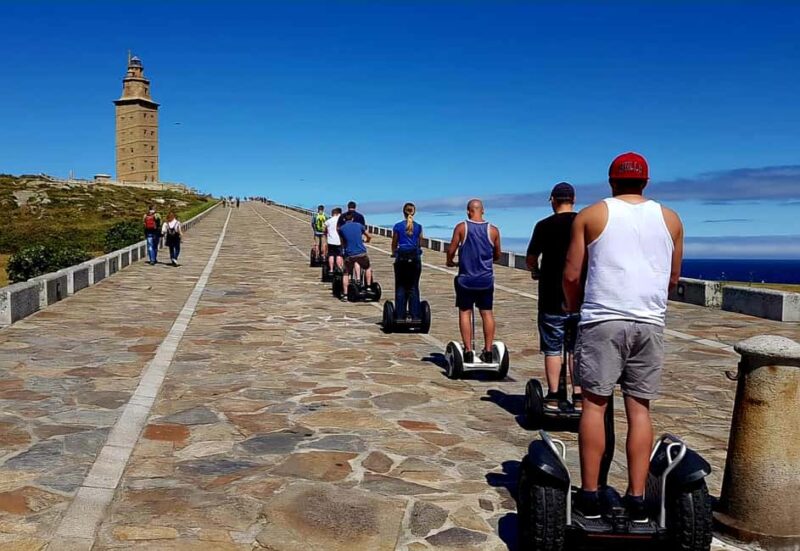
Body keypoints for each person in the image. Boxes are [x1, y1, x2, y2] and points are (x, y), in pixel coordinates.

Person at [563, 152, 684, 523]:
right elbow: (673, 278)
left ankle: (589, 494)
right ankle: (636, 497)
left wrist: (574, 307)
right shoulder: (671, 219)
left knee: (594, 405)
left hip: (603, 319)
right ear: (645, 181)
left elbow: (571, 275)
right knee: (639, 409)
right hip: (649, 322)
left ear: (611, 181)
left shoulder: (591, 215)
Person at [526, 182, 581, 412]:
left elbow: (531, 258)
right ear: (573, 200)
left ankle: (554, 395)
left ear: (553, 200)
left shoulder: (543, 225)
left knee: (552, 348)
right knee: (576, 349)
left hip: (551, 297)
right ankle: (579, 396)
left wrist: (536, 270)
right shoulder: (584, 223)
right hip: (580, 298)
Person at [446, 199, 502, 363]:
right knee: (487, 313)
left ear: (468, 211)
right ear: (482, 210)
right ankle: (488, 350)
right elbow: (497, 254)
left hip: (466, 279)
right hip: (485, 280)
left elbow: (451, 249)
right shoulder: (493, 230)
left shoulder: (462, 227)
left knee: (465, 312)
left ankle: (468, 350)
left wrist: (450, 261)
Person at [391, 202, 424, 319]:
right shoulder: (418, 227)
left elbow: (394, 243)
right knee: (414, 286)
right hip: (415, 259)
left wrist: (393, 252)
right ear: (414, 212)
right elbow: (419, 244)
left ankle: (400, 315)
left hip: (401, 258)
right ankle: (415, 315)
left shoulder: (398, 226)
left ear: (403, 212)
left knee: (401, 286)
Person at [339, 210, 372, 301]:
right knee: (367, 267)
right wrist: (366, 240)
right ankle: (368, 287)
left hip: (349, 254)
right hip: (361, 252)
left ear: (345, 219)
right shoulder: (359, 225)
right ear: (353, 218)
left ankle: (345, 295)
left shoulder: (341, 229)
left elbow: (342, 243)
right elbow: (369, 236)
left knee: (346, 273)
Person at [324, 207, 344, 274]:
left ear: (333, 213)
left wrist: (326, 234)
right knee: (339, 255)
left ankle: (331, 270)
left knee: (331, 255)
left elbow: (324, 228)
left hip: (331, 241)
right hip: (339, 241)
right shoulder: (342, 220)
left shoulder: (329, 220)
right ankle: (340, 268)